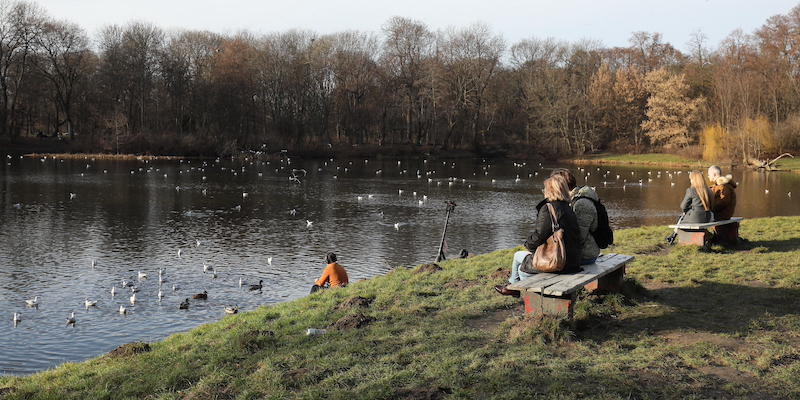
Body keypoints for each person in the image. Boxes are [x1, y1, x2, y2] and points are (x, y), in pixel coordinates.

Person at [495, 175, 583, 297]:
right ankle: (512, 286)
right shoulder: (569, 209)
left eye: (545, 188)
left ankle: (518, 289)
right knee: (524, 260)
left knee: (520, 262)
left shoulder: (548, 208)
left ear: (550, 190)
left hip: (559, 262)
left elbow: (539, 235)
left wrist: (528, 245)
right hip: (573, 261)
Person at [541, 168, 601, 265]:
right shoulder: (570, 200)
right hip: (575, 252)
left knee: (528, 264)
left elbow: (579, 236)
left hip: (584, 254)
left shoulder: (582, 204)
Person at [707, 165, 739, 244]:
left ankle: (709, 238)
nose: (707, 176)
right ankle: (710, 237)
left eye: (709, 174)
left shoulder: (724, 187)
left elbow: (722, 202)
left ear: (714, 175)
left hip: (722, 215)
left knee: (700, 216)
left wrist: (709, 207)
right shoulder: (719, 186)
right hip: (721, 214)